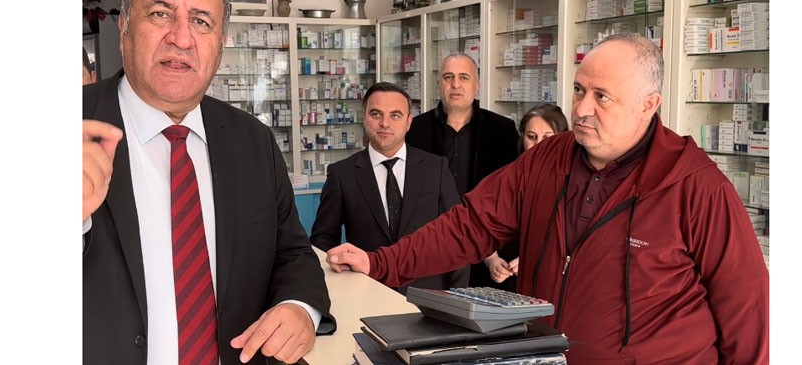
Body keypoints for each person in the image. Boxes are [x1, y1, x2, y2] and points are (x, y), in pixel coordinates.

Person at [326, 33, 769, 363]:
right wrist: (381, 262)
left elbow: (746, 309)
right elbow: (469, 225)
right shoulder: (548, 159)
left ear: (648, 104)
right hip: (543, 357)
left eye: (602, 97)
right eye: (579, 90)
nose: (581, 109)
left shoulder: (695, 186)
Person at [82, 0, 334, 365]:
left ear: (220, 44)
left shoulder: (253, 140)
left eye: (201, 22)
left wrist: (299, 308)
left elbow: (293, 253)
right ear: (124, 27)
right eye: (160, 14)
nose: (181, 38)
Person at [309, 82, 468, 293]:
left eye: (395, 115)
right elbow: (322, 240)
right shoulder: (342, 174)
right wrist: (339, 267)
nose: (385, 123)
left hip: (428, 297)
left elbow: (457, 235)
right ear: (364, 118)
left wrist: (456, 297)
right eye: (376, 114)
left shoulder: (435, 168)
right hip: (367, 293)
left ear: (408, 122)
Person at [406, 53, 519, 290]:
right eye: (448, 77)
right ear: (439, 85)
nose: (455, 84)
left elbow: (512, 193)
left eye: (464, 77)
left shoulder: (502, 130)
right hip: (430, 244)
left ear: (477, 85)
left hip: (487, 249)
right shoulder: (415, 130)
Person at [481, 103, 569, 291]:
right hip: (503, 282)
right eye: (532, 137)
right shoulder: (508, 177)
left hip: (546, 284)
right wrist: (492, 260)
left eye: (547, 138)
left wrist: (534, 260)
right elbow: (483, 225)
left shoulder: (572, 184)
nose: (539, 145)